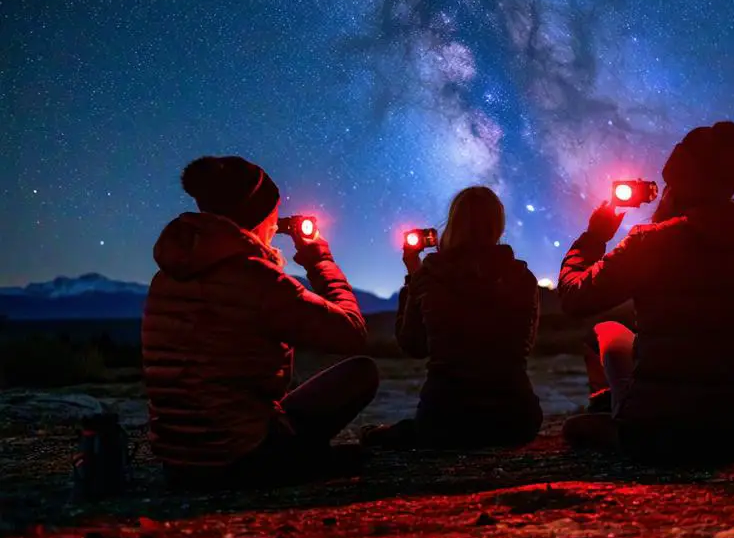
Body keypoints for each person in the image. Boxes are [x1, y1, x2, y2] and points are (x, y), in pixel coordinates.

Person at [142, 156, 378, 489]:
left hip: (180, 462)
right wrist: (318, 259)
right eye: (274, 213)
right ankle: (293, 463)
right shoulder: (257, 279)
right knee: (360, 372)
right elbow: (351, 332)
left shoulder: (165, 278)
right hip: (241, 457)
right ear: (257, 217)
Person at [557, 121, 734, 465]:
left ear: (679, 181)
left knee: (602, 340)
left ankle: (614, 411)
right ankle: (618, 408)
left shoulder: (651, 243)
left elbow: (575, 297)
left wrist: (594, 237)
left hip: (662, 432)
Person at [360, 186, 543, 449]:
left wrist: (414, 276)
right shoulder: (523, 278)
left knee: (385, 437)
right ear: (498, 226)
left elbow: (413, 345)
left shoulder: (430, 277)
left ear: (453, 223)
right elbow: (526, 343)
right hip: (517, 420)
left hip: (445, 420)